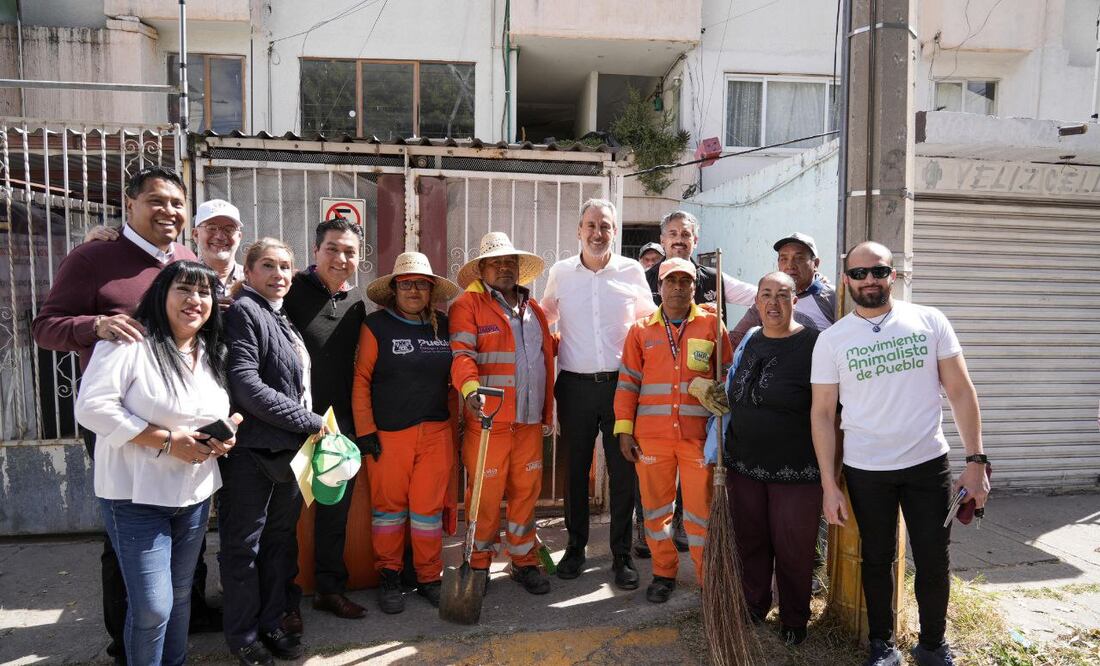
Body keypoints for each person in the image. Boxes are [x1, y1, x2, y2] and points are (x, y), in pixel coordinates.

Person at [32, 166, 198, 663]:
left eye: (176, 202)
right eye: (156, 201)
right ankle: (126, 641)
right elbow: (45, 326)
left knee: (180, 529)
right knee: (128, 534)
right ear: (130, 204)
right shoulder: (93, 257)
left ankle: (163, 631)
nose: (168, 211)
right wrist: (95, 324)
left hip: (182, 425)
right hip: (118, 424)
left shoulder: (185, 261)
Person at [810, 241, 990, 666]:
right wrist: (828, 485)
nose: (869, 279)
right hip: (866, 469)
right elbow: (821, 415)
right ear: (845, 279)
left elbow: (961, 392)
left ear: (894, 274)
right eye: (859, 273)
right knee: (875, 559)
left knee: (932, 560)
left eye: (879, 271)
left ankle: (932, 646)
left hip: (928, 464)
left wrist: (976, 460)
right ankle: (882, 645)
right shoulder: (832, 341)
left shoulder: (928, 320)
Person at [74, 261, 235, 665]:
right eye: (184, 289)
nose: (195, 300)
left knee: (181, 597)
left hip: (194, 495)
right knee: (153, 607)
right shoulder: (129, 342)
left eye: (204, 293)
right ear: (161, 293)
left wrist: (222, 438)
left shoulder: (209, 351)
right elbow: (92, 408)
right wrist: (166, 441)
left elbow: (204, 416)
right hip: (134, 497)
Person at [220, 239, 324, 666]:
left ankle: (271, 622)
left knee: (278, 543)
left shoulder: (279, 317)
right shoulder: (245, 311)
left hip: (288, 452)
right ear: (248, 272)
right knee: (243, 547)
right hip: (253, 453)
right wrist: (311, 422)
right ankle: (244, 637)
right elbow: (245, 385)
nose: (278, 274)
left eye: (285, 267)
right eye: (268, 265)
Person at [541, 199, 655, 590]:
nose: (597, 233)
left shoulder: (631, 271)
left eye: (604, 226)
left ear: (614, 232)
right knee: (574, 470)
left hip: (621, 388)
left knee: (623, 471)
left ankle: (621, 555)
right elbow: (544, 319)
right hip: (573, 387)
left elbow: (646, 324)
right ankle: (575, 548)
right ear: (578, 230)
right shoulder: (561, 273)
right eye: (590, 225)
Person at [614, 257, 732, 603]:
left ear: (695, 286)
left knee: (700, 513)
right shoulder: (641, 331)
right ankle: (664, 573)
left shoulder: (713, 326)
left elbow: (727, 376)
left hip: (698, 439)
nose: (679, 287)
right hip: (651, 439)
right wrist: (624, 430)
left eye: (686, 281)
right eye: (672, 281)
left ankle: (706, 577)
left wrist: (722, 406)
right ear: (660, 287)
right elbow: (627, 384)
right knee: (655, 512)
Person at [352, 252, 460, 613]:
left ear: (431, 291)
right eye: (406, 283)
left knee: (427, 512)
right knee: (388, 511)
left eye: (421, 284)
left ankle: (429, 576)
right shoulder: (376, 326)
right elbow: (361, 380)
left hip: (435, 432)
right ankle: (390, 578)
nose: (414, 290)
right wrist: (366, 431)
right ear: (394, 289)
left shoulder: (444, 326)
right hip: (388, 434)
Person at [449, 231, 556, 595]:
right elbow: (461, 355)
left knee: (527, 491)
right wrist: (470, 389)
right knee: (486, 495)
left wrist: (547, 412)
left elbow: (545, 359)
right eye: (495, 262)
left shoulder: (535, 309)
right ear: (482, 268)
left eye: (510, 262)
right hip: (489, 420)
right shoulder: (467, 305)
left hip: (527, 421)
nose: (504, 268)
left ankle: (523, 560)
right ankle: (478, 563)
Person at [643, 210, 755, 550]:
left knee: (698, 490)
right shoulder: (643, 278)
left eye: (685, 234)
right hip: (657, 407)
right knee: (654, 490)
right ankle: (651, 544)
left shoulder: (714, 278)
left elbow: (758, 296)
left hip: (700, 409)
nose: (679, 239)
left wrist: (735, 337)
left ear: (696, 240)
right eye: (672, 233)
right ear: (662, 241)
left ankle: (702, 558)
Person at [723, 271, 821, 646]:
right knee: (751, 541)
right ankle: (754, 603)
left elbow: (831, 409)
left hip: (796, 469)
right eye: (766, 294)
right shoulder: (750, 339)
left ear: (795, 301)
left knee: (793, 547)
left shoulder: (814, 344)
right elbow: (735, 387)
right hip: (744, 464)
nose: (774, 302)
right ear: (757, 302)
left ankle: (795, 616)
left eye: (783, 295)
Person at [282, 218, 368, 625]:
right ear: (315, 252)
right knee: (285, 517)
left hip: (337, 427)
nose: (341, 258)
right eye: (332, 248)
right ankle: (283, 602)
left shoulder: (356, 303)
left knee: (334, 513)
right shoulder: (289, 293)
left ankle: (330, 590)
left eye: (349, 251)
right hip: (292, 424)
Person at [730, 232, 836, 347]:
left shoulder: (833, 298)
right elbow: (735, 340)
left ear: (815, 264)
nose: (790, 265)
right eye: (784, 259)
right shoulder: (766, 301)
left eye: (799, 258)